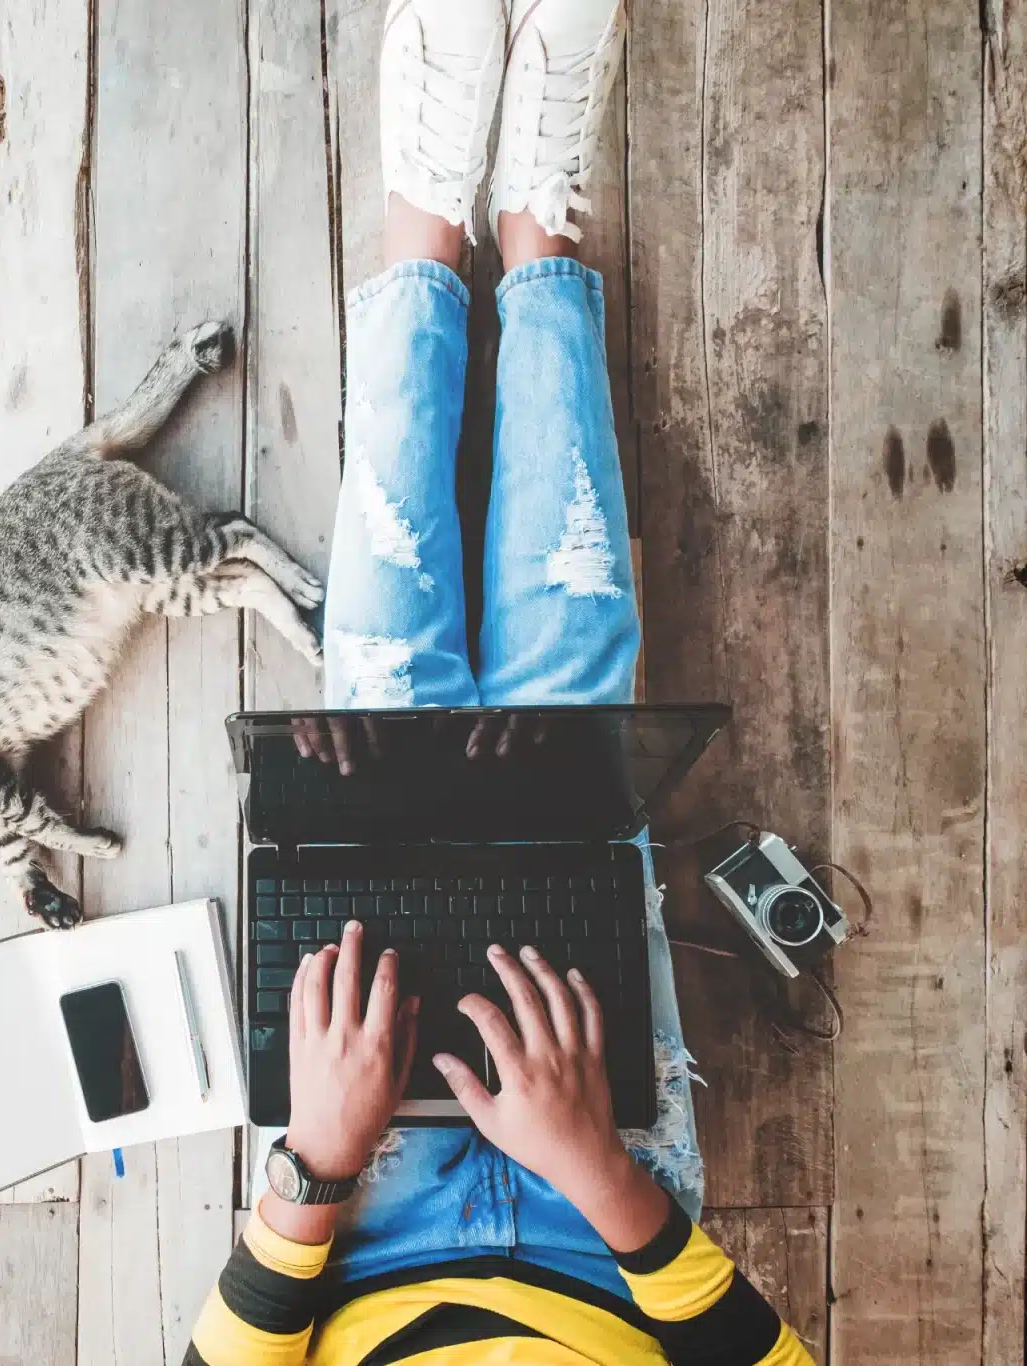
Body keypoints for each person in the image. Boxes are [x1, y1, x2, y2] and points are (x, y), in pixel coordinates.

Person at [182, 1, 815, 1362]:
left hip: (366, 1211)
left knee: (385, 700)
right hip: (608, 1219)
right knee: (571, 725)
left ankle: (427, 220)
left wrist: (314, 1163)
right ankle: (537, 223)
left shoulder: (335, 1175)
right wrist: (599, 1169)